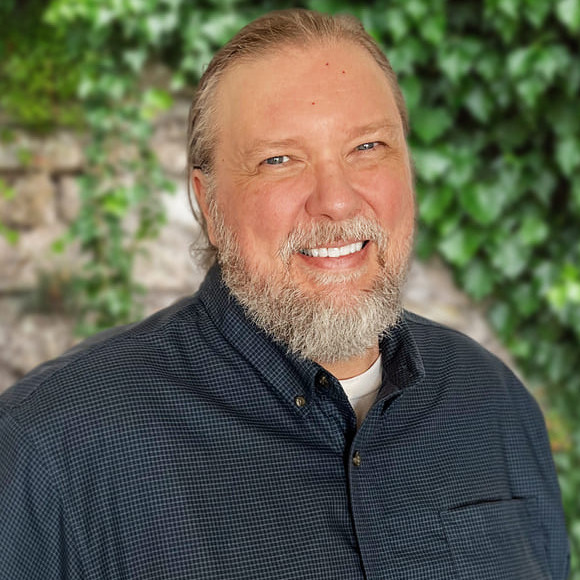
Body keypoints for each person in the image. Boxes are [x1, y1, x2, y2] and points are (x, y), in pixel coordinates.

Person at [0, 9, 569, 579]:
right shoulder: (51, 448)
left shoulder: (493, 403)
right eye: (279, 160)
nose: (338, 201)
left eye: (368, 147)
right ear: (209, 205)